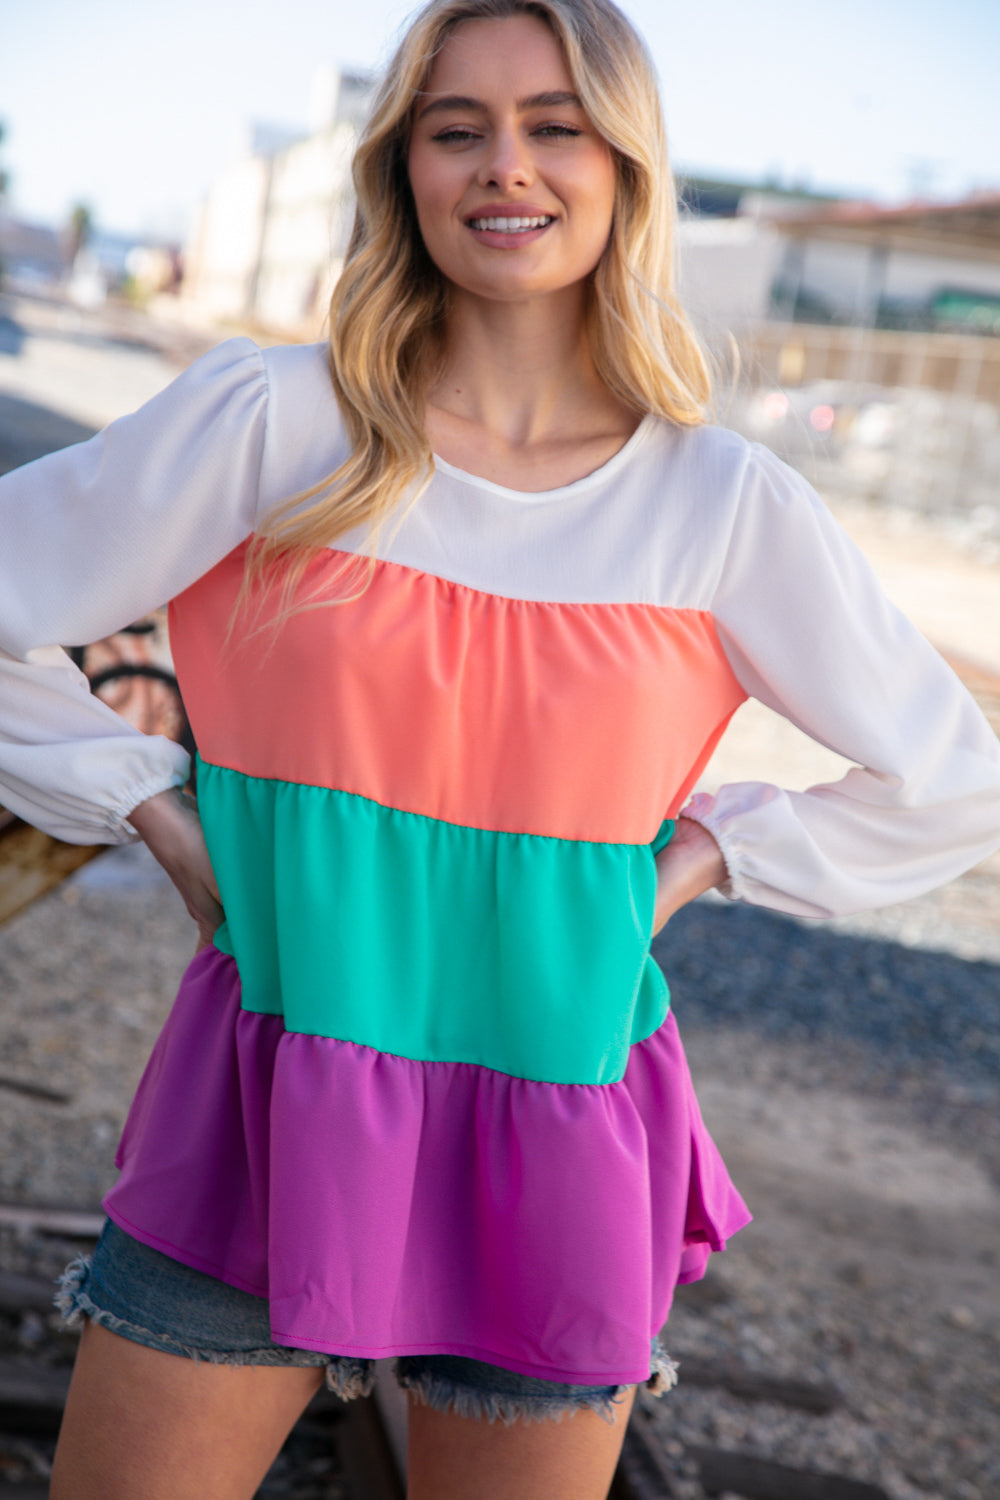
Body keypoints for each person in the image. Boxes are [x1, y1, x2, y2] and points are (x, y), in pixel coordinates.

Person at [2, 1, 999, 1495]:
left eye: (554, 125)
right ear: (403, 170)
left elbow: (950, 779)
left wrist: (687, 866)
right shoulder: (280, 423)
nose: (502, 166)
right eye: (454, 128)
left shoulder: (721, 506)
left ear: (628, 169)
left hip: (559, 1117)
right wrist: (150, 804)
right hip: (265, 1089)